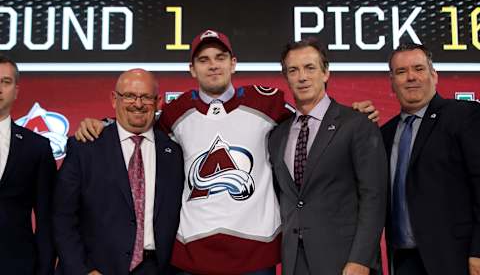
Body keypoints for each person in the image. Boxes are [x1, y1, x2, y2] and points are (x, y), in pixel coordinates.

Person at [74, 30, 379, 275]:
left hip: (255, 253)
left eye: (220, 57)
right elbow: (137, 124)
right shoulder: (175, 111)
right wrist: (102, 124)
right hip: (191, 254)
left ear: (234, 63)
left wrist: (349, 112)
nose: (213, 65)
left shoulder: (268, 103)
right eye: (204, 59)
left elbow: (313, 119)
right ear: (192, 69)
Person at [268, 38, 388, 275]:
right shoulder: (277, 135)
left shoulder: (356, 123)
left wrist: (361, 259)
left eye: (310, 68)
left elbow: (374, 197)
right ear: (286, 77)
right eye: (293, 70)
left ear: (326, 73)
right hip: (294, 260)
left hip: (345, 261)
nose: (302, 77)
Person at [53, 69, 184, 275]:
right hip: (96, 268)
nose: (138, 104)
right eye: (130, 96)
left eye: (146, 97)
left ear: (158, 102)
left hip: (155, 269)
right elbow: (62, 216)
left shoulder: (174, 153)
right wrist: (82, 270)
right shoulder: (85, 147)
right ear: (114, 99)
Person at [381, 43, 480, 275]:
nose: (411, 77)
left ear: (434, 75)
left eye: (418, 68)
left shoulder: (464, 117)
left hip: (456, 259)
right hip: (403, 260)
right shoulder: (383, 134)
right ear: (392, 82)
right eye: (401, 72)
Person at [0, 55, 57, 275]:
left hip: (17, 266)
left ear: (16, 91)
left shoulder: (37, 147)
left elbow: (46, 219)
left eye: (5, 82)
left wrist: (44, 270)